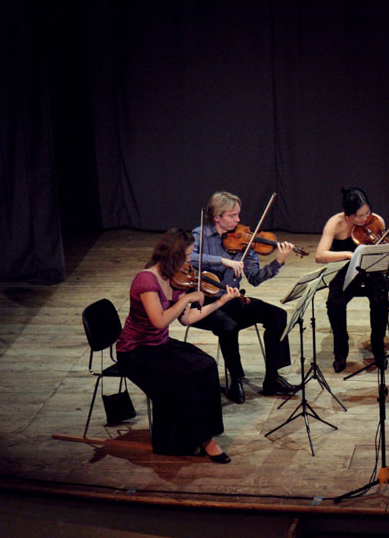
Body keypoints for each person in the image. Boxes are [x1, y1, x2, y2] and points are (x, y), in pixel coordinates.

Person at [116, 228, 238, 463]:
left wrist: (220, 302)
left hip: (159, 344)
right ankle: (205, 440)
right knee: (182, 378)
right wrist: (186, 298)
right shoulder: (146, 280)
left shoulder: (175, 279)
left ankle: (207, 430)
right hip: (135, 352)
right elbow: (159, 321)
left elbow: (187, 319)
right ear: (174, 256)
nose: (191, 261)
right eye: (188, 255)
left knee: (206, 365)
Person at [189, 191, 298, 403]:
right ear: (217, 217)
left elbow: (255, 278)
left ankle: (272, 378)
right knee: (228, 327)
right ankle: (236, 379)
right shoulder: (200, 234)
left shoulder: (245, 241)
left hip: (233, 299)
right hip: (205, 303)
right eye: (232, 216)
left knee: (277, 316)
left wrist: (278, 262)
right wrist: (222, 260)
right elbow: (189, 258)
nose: (238, 220)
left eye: (238, 214)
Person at [315, 187, 389, 373]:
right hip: (345, 272)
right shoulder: (335, 223)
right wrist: (348, 255)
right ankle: (340, 351)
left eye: (367, 212)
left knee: (381, 298)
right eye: (359, 216)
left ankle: (378, 347)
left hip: (370, 271)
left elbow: (383, 250)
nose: (365, 218)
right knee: (335, 303)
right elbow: (320, 255)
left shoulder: (376, 221)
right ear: (347, 214)